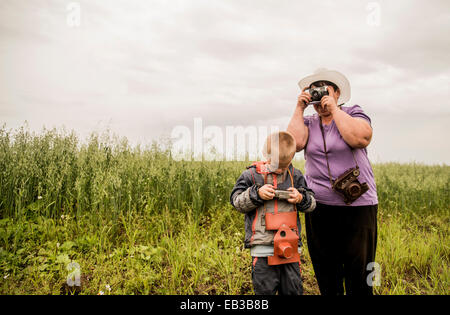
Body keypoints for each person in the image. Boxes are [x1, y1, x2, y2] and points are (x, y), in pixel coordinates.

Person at [287, 68, 378, 295]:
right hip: (319, 207)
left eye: (324, 88)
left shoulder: (353, 112)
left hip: (358, 206)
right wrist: (299, 107)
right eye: (313, 89)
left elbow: (361, 138)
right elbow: (293, 145)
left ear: (337, 92)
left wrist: (334, 110)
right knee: (326, 270)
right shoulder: (308, 121)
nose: (318, 94)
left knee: (361, 271)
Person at [230, 131, 316, 295]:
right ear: (265, 156)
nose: (279, 170)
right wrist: (256, 194)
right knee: (264, 291)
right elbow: (236, 202)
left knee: (293, 290)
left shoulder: (295, 176)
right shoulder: (251, 175)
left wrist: (300, 198)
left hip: (290, 247)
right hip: (263, 248)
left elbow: (311, 204)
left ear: (290, 159)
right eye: (274, 165)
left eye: (283, 166)